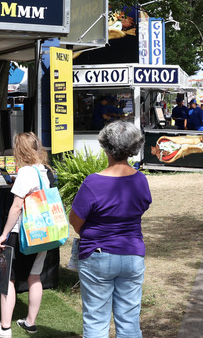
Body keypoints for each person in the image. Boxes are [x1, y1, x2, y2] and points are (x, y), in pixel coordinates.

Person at [69, 121, 152, 338]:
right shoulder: (140, 180)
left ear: (106, 147)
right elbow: (140, 208)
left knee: (96, 321)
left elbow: (76, 221)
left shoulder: (93, 182)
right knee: (129, 321)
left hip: (98, 255)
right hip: (132, 254)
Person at [0, 132, 51, 338]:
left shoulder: (26, 172)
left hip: (21, 232)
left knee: (8, 279)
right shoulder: (47, 171)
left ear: (20, 150)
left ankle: (4, 328)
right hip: (43, 232)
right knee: (35, 276)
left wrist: (3, 234)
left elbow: (16, 207)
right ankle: (30, 322)